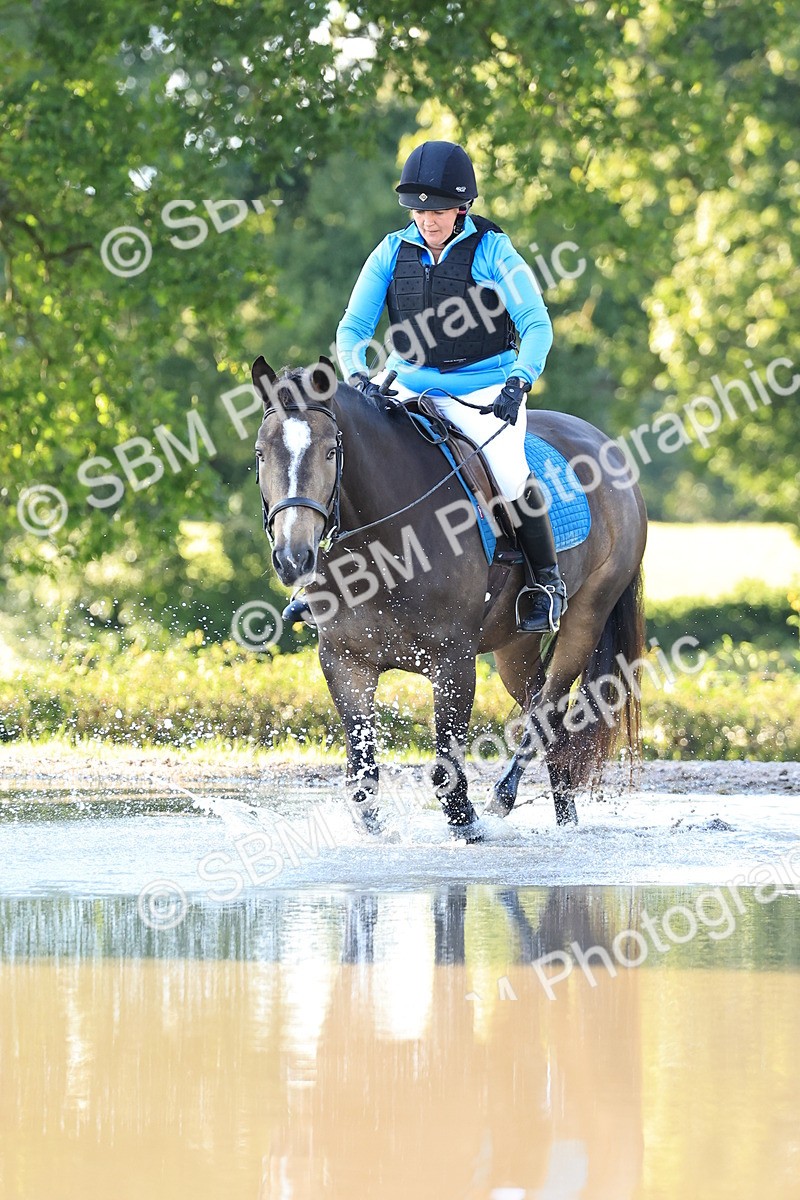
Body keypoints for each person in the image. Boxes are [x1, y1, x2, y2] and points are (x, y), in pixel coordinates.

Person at [334, 140, 567, 634]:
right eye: (418, 210)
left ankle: (545, 582)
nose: (427, 220)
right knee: (339, 447)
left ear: (462, 207)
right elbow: (352, 330)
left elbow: (536, 324)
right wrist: (358, 377)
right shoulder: (390, 252)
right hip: (406, 379)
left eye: (437, 210)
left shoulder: (493, 250)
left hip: (484, 387)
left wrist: (520, 381)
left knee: (507, 470)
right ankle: (320, 583)